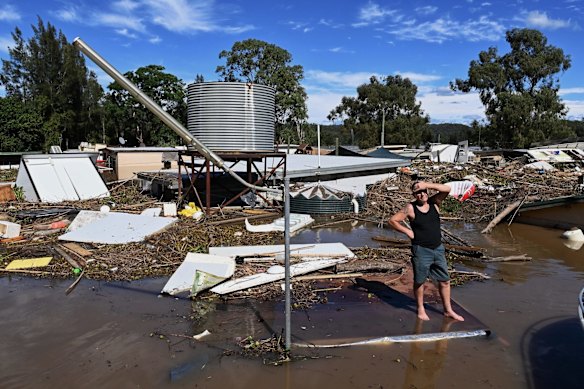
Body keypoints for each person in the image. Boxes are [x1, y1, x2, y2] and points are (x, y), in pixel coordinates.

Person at [389, 180, 464, 322]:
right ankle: (421, 309)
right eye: (417, 192)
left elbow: (447, 189)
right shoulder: (411, 208)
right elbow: (393, 220)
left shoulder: (435, 202)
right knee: (420, 282)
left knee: (445, 281)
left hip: (438, 248)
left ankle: (448, 310)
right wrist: (408, 232)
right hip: (421, 250)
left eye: (423, 191)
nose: (421, 194)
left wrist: (427, 185)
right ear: (414, 195)